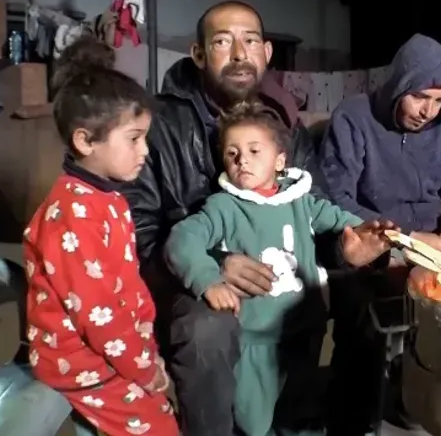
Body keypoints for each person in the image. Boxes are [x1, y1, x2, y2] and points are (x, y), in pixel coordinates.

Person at [122, 0, 381, 435]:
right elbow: (138, 234)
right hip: (191, 279)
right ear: (200, 54)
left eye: (251, 41)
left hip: (276, 273)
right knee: (208, 329)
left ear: (267, 54)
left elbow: (311, 206)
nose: (240, 53)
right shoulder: (159, 126)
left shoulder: (281, 127)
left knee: (363, 295)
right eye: (223, 41)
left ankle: (340, 422)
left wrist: (345, 248)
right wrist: (216, 265)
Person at [164, 102, 395, 435]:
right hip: (254, 341)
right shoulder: (223, 207)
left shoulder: (301, 200)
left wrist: (366, 234)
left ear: (280, 160)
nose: (242, 159)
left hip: (304, 332)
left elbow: (340, 222)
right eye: (232, 153)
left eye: (254, 150)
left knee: (299, 416)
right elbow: (182, 239)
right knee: (254, 423)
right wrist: (207, 278)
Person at [319, 33, 441, 434]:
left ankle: (425, 398)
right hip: (376, 240)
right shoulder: (353, 117)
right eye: (420, 97)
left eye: (440, 100)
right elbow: (334, 198)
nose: (429, 111)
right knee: (362, 321)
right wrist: (408, 238)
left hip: (439, 246)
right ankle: (357, 418)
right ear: (398, 85)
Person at [23, 36, 179, 436]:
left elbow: (125, 287)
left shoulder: (108, 198)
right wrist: (144, 369)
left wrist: (147, 351)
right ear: (84, 140)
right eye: (133, 138)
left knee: (164, 405)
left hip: (119, 350)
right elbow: (98, 315)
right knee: (160, 427)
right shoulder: (71, 214)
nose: (145, 151)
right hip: (78, 359)